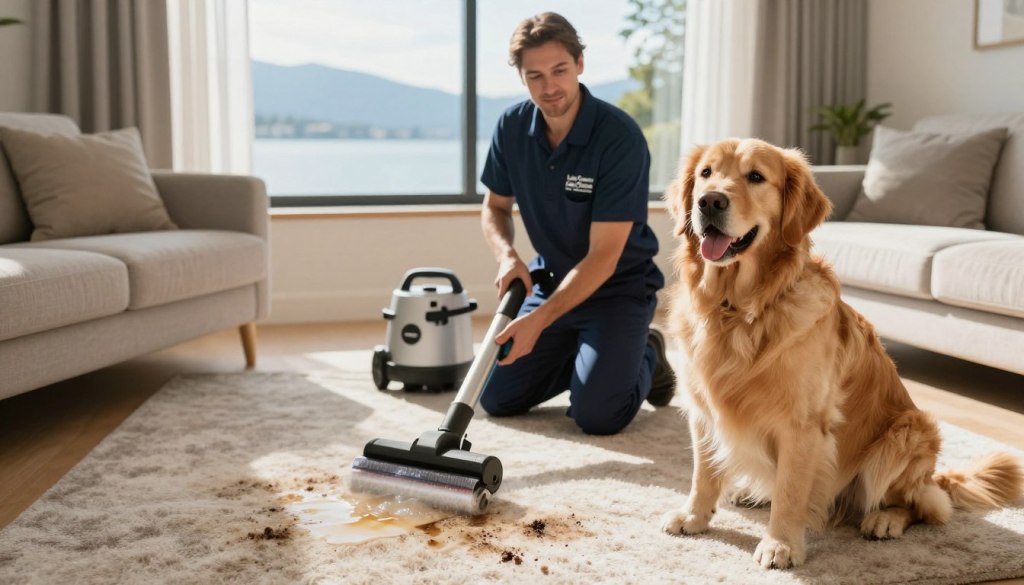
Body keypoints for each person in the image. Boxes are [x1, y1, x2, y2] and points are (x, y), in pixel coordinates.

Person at [478, 12, 675, 435]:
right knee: (495, 397)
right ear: (522, 79)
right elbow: (494, 207)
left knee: (598, 416)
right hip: (550, 280)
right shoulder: (511, 128)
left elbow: (604, 257)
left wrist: (539, 321)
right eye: (535, 76)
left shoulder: (618, 138)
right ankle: (589, 355)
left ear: (580, 63)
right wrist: (506, 256)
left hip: (617, 289)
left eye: (559, 70)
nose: (549, 87)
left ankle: (646, 353)